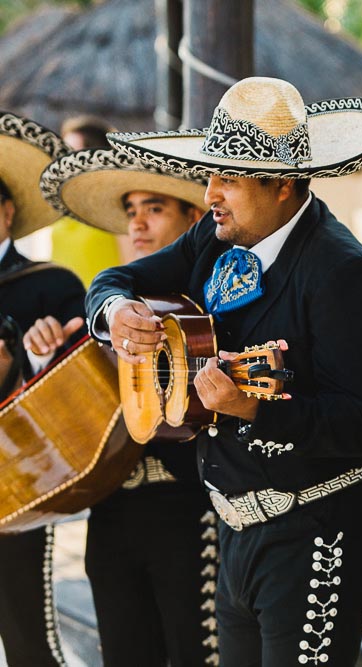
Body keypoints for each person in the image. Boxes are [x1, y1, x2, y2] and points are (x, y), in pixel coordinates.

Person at [86, 77, 362, 666]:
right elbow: (119, 280)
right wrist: (116, 311)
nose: (210, 194)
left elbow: (358, 425)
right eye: (211, 175)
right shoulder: (214, 235)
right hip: (233, 525)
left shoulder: (343, 273)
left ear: (281, 184)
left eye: (227, 177)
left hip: (320, 530)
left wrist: (252, 407)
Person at [33, 147, 216, 666]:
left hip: (189, 509)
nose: (137, 223)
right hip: (110, 511)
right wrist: (53, 360)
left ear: (193, 217)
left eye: (154, 208)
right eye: (131, 210)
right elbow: (70, 430)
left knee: (196, 657)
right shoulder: (105, 307)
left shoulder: (212, 303)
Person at [0, 110, 83, 666]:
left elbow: (87, 396)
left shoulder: (53, 286)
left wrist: (30, 361)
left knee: (27, 635)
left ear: (6, 212)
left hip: (19, 481)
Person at [51, 115, 126, 285]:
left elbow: (131, 264)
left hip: (101, 305)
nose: (67, 159)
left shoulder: (117, 203)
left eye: (73, 151)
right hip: (60, 308)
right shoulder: (58, 205)